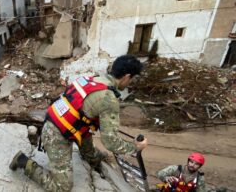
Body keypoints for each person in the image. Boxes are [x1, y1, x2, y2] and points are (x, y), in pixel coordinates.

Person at [10, 54, 148, 192]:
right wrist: (134, 147)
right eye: (132, 79)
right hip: (56, 135)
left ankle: (93, 159)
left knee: (86, 133)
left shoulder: (92, 79)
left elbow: (83, 115)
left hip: (60, 122)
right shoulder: (108, 98)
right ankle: (23, 162)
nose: (130, 82)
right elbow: (110, 141)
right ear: (127, 76)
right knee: (62, 187)